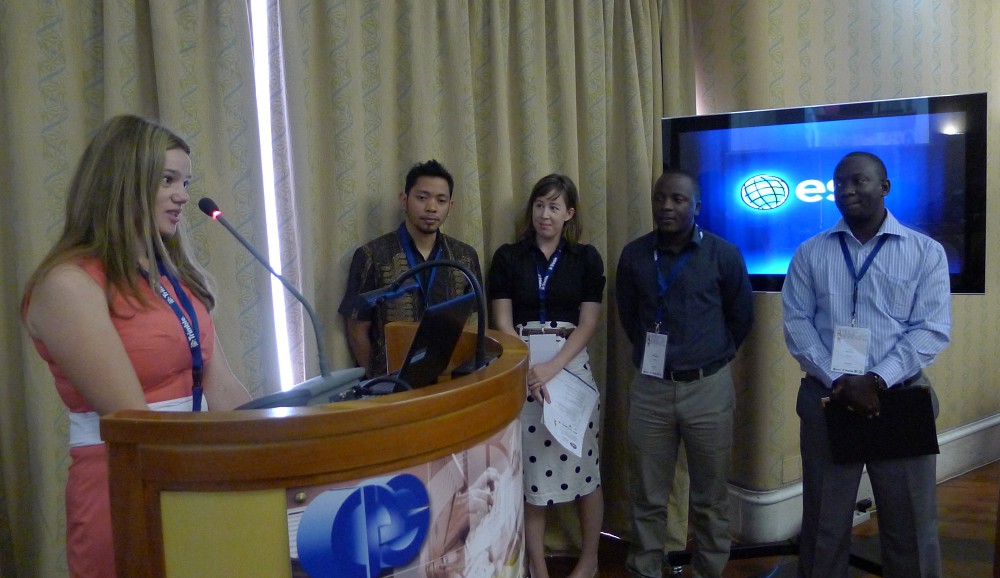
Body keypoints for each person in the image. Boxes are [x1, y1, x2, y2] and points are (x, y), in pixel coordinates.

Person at [20, 114, 252, 577]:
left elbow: (224, 389)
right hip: (126, 485)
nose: (182, 195)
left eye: (185, 182)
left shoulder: (175, 278)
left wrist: (283, 442)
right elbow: (133, 420)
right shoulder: (68, 284)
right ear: (122, 182)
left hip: (194, 475)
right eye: (167, 180)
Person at [782, 151, 951, 577]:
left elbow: (931, 329)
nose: (847, 190)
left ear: (885, 187)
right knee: (823, 525)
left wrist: (876, 379)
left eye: (859, 181)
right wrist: (840, 380)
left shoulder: (925, 252)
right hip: (828, 400)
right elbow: (797, 325)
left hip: (900, 400)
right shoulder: (809, 252)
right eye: (839, 183)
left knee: (911, 528)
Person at [616, 168, 754, 578]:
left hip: (707, 388)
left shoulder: (723, 254)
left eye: (677, 199)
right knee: (648, 494)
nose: (666, 206)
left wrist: (710, 356)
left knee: (710, 497)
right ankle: (645, 568)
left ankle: (708, 570)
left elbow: (740, 317)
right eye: (660, 198)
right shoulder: (634, 255)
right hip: (650, 389)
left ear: (696, 206)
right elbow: (629, 316)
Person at [488, 174, 605, 578]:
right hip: (521, 365)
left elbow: (588, 322)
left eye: (554, 207)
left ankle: (589, 560)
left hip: (569, 363)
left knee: (585, 467)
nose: (545, 214)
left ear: (569, 213)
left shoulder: (586, 258)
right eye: (539, 205)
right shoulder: (508, 257)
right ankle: (537, 565)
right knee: (532, 475)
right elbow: (502, 321)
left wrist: (552, 368)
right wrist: (526, 366)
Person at [339, 159, 483, 378]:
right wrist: (378, 379)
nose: (431, 207)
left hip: (449, 377)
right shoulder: (372, 255)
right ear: (404, 200)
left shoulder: (464, 256)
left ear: (450, 207)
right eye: (422, 198)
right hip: (391, 381)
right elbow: (357, 327)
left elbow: (471, 320)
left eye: (441, 200)